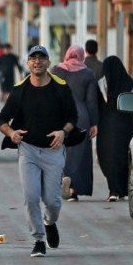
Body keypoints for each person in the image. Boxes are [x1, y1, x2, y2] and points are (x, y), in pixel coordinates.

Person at [0, 45, 78, 257]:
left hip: (54, 151)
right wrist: (11, 133)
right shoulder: (20, 89)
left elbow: (72, 118)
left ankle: (49, 222)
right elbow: (2, 120)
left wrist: (63, 132)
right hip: (28, 150)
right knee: (31, 196)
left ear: (49, 63)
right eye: (33, 58)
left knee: (52, 201)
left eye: (42, 58)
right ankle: (38, 240)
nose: (38, 62)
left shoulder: (60, 87)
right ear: (28, 63)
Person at [51, 45, 98, 202]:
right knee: (79, 154)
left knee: (60, 150)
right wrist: (94, 123)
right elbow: (91, 101)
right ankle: (73, 189)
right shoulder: (87, 74)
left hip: (60, 116)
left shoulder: (56, 71)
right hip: (81, 117)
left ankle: (64, 177)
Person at [96, 56, 133, 202]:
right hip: (125, 127)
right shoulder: (129, 83)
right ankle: (122, 189)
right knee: (123, 157)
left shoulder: (101, 85)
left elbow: (95, 106)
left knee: (108, 158)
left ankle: (113, 190)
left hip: (106, 128)